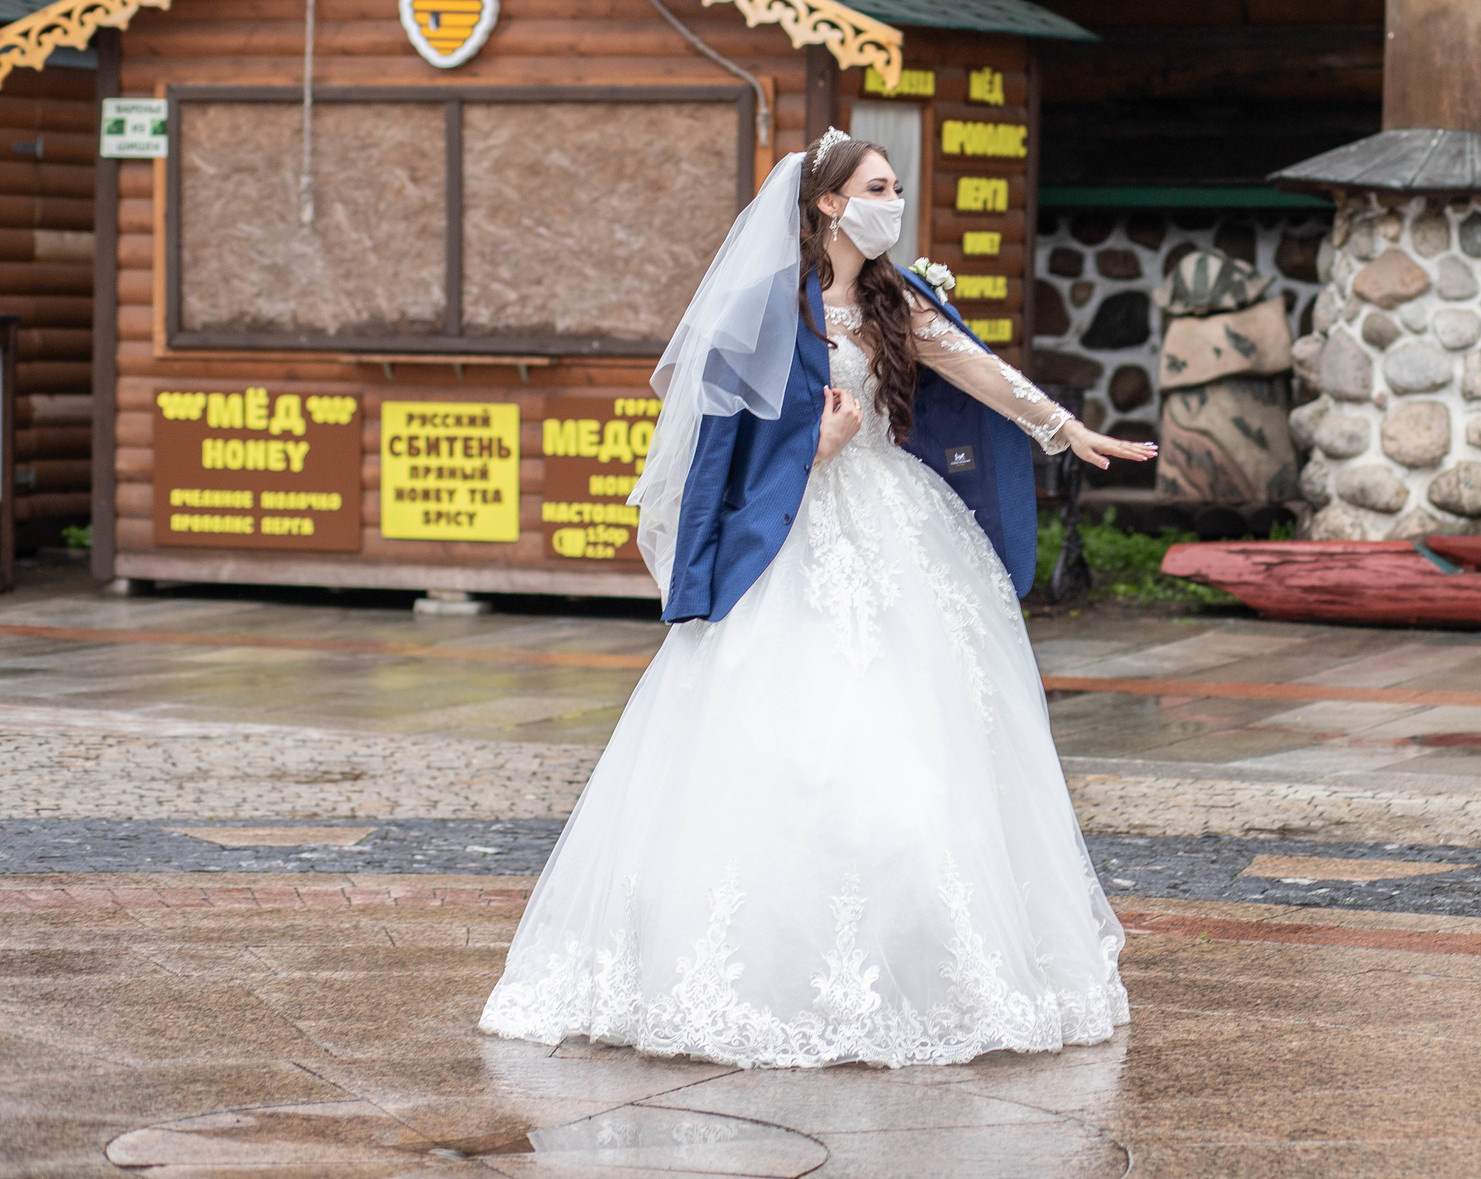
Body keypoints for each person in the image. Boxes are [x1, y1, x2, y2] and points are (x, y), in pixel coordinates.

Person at [481, 129, 1157, 1069]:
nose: (895, 200)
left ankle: (929, 960)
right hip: (790, 540)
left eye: (897, 186)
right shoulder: (769, 309)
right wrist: (814, 453)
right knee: (779, 742)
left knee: (925, 750)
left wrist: (1065, 430)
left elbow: (973, 367)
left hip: (900, 531)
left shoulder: (893, 301)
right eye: (879, 187)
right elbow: (724, 445)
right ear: (830, 203)